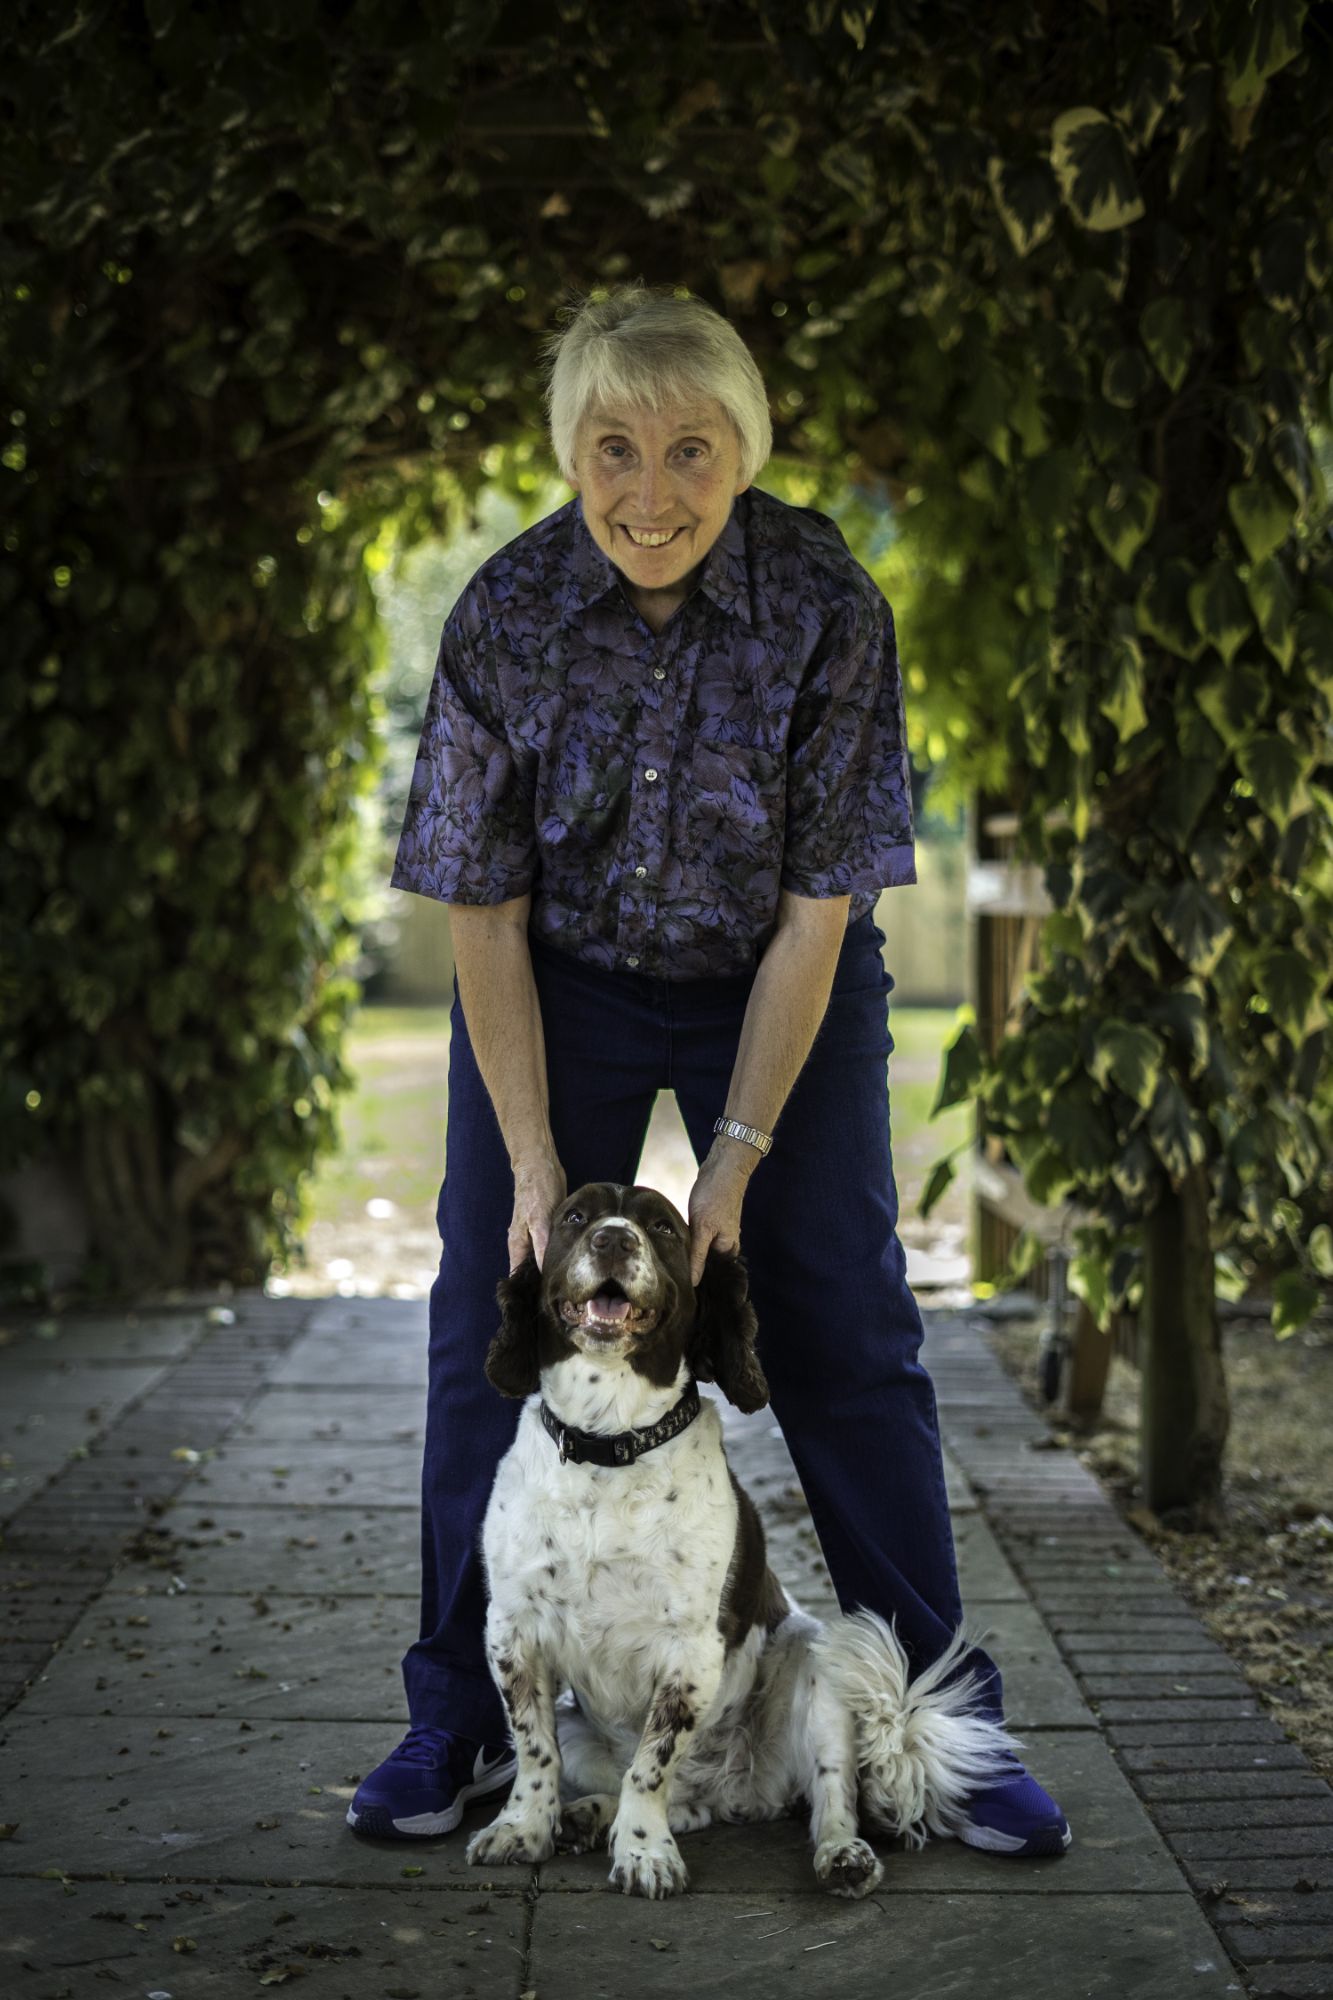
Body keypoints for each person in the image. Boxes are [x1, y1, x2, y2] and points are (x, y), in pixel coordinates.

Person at [348, 282, 1071, 1859]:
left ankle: (939, 1723)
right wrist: (533, 1165)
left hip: (778, 975)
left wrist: (734, 1159)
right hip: (563, 984)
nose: (651, 490)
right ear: (568, 454)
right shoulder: (505, 613)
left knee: (841, 1316)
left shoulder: (824, 602)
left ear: (745, 451)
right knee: (492, 1307)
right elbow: (482, 908)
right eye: (613, 447)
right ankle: (455, 1718)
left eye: (690, 448)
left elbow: (821, 910)